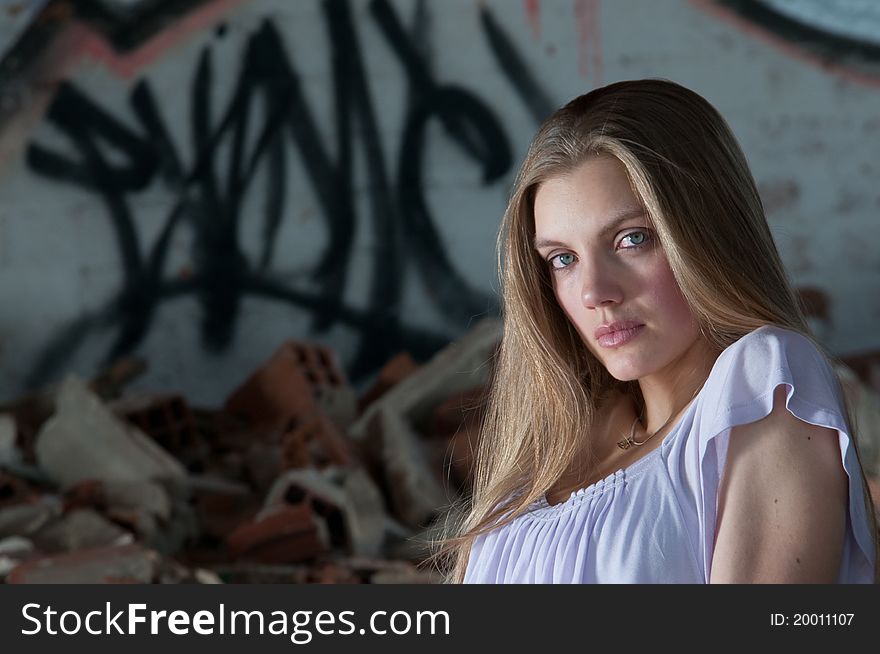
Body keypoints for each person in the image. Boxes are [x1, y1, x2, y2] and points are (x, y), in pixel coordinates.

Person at [437, 79, 878, 583]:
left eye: (632, 239)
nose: (594, 292)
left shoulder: (765, 382)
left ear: (708, 233)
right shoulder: (554, 444)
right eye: (563, 259)